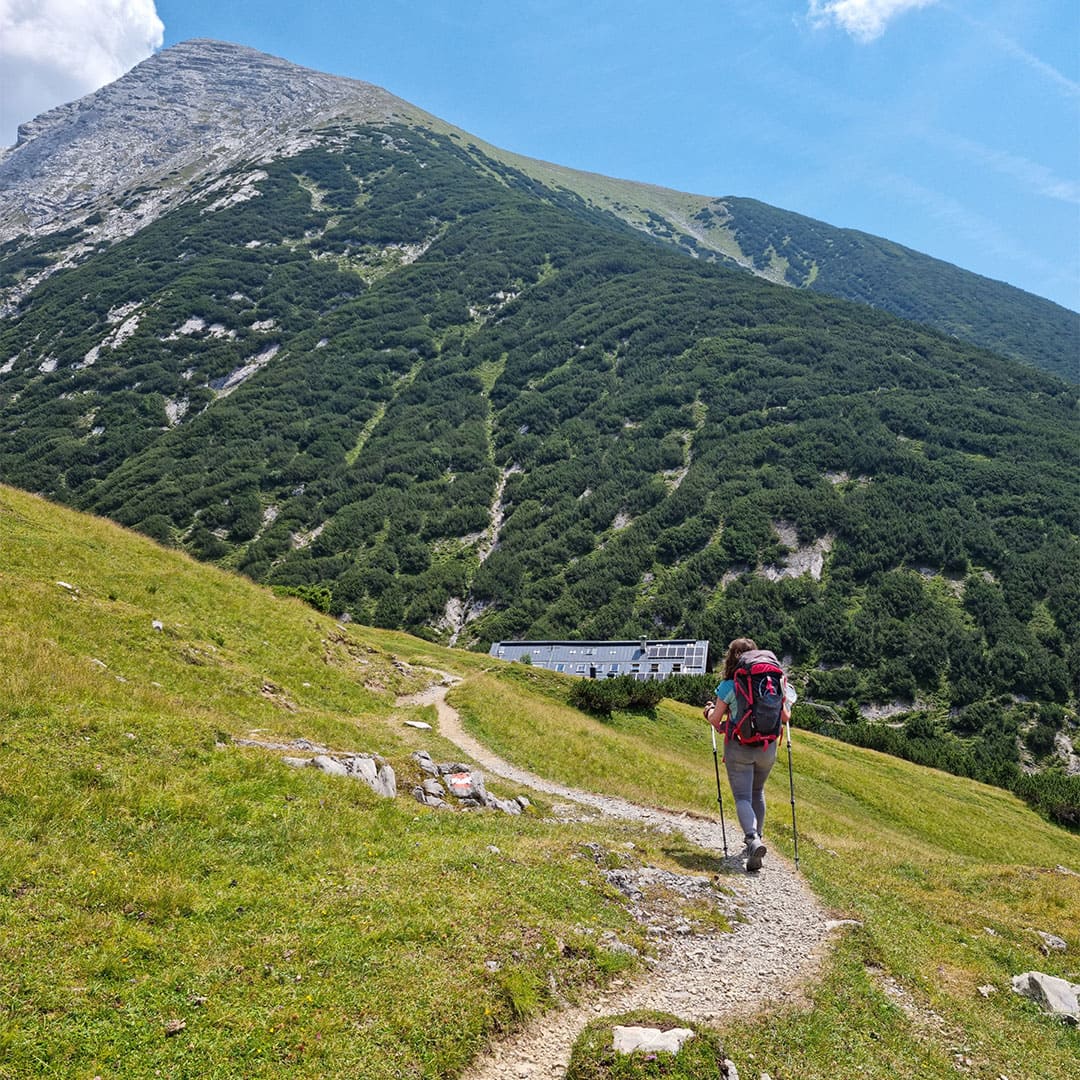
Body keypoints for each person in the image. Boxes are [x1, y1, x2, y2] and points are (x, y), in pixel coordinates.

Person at [703, 637, 793, 872]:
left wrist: (710, 710)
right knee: (757, 791)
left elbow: (716, 720)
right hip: (767, 748)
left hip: (739, 747)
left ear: (731, 658)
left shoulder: (729, 686)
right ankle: (758, 838)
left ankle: (752, 839)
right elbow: (785, 718)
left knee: (742, 796)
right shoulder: (771, 682)